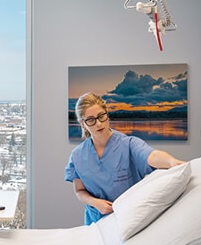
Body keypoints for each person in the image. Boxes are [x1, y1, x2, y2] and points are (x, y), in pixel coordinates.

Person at [65, 92, 185, 225]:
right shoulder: (77, 155)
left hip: (130, 219)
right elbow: (79, 190)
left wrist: (173, 162)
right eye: (91, 120)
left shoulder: (128, 144)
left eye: (101, 116)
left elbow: (152, 155)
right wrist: (95, 202)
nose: (98, 123)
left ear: (107, 115)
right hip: (96, 221)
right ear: (82, 123)